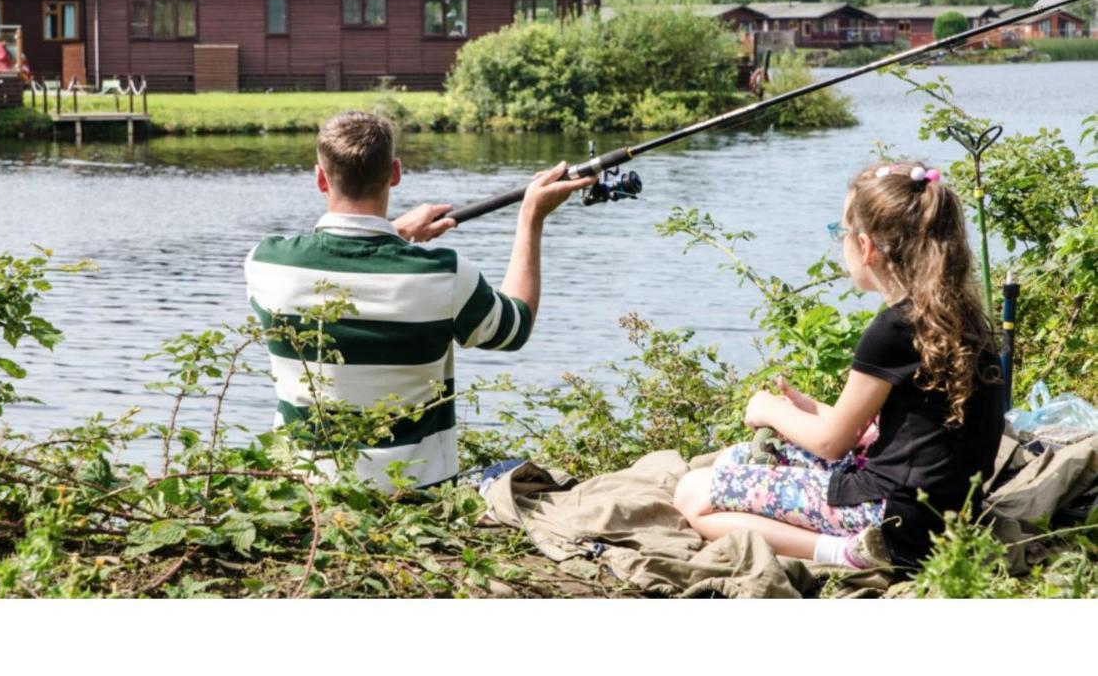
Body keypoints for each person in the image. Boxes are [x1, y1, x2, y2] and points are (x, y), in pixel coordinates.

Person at [673, 161, 1005, 571]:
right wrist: (811, 411)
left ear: (865, 247)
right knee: (733, 460)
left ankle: (847, 553)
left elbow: (833, 443)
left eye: (842, 233)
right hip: (947, 512)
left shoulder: (893, 330)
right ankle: (850, 538)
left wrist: (769, 409)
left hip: (893, 519)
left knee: (693, 493)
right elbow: (906, 433)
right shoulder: (958, 314)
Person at [245, 110, 593, 491]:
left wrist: (395, 233)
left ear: (320, 178)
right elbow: (515, 327)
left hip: (304, 492)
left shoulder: (267, 263)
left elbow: (353, 259)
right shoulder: (443, 274)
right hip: (416, 496)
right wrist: (531, 216)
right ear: (394, 173)